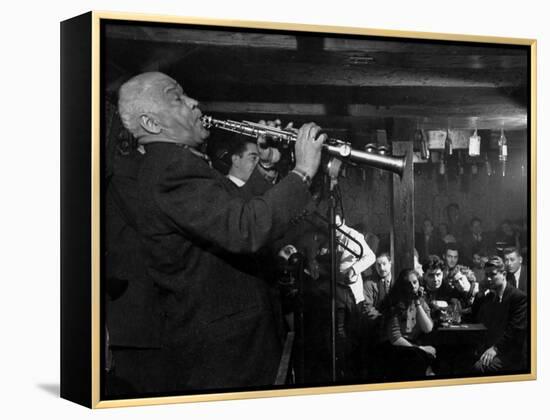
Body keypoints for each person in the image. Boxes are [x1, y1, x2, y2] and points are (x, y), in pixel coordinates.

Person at [116, 71, 326, 392]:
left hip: (235, 342)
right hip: (227, 352)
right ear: (152, 124)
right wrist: (303, 171)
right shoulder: (170, 169)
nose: (193, 102)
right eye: (177, 97)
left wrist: (266, 167)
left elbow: (235, 208)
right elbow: (245, 228)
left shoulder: (179, 163)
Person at [472, 256, 527, 373]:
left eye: (492, 275)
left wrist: (495, 348)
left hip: (509, 353)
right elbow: (475, 316)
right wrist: (480, 293)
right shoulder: (490, 296)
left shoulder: (518, 297)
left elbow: (515, 330)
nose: (488, 279)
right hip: (490, 347)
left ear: (504, 274)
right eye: (486, 275)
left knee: (479, 367)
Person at [381, 269, 436, 379]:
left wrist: (417, 303)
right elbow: (395, 338)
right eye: (408, 284)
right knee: (419, 358)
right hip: (395, 347)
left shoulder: (420, 301)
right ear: (402, 286)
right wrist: (420, 348)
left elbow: (428, 328)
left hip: (412, 344)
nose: (413, 286)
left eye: (415, 282)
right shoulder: (394, 303)